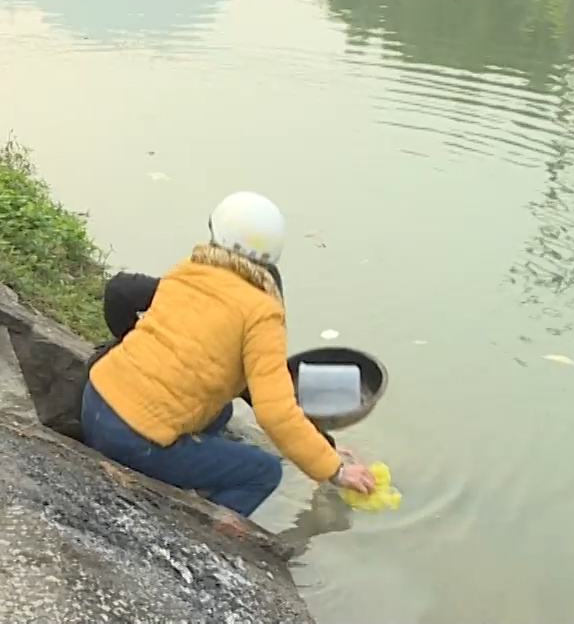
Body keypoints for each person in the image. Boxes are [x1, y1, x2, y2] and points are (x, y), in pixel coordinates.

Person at [81, 192, 376, 519]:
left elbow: (121, 290)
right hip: (131, 440)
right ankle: (199, 537)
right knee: (262, 473)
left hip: (94, 402)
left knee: (219, 414)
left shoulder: (190, 269)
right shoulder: (263, 313)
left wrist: (324, 447)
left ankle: (190, 476)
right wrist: (335, 470)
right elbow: (275, 411)